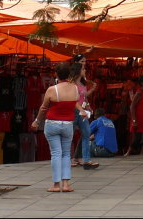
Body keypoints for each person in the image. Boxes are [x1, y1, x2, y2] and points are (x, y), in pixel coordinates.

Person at [30, 62, 79, 193]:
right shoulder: (75, 88)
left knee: (56, 153)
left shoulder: (53, 89)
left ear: (56, 74)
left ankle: (56, 184)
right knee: (66, 153)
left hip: (52, 123)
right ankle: (67, 183)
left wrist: (37, 121)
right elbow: (76, 103)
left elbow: (44, 107)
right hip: (68, 124)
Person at [68, 61, 98, 169]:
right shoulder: (71, 84)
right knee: (69, 135)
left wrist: (87, 106)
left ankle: (86, 160)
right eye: (83, 69)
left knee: (86, 133)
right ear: (78, 71)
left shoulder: (82, 84)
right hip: (74, 110)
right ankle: (69, 159)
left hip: (82, 111)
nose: (85, 71)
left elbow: (84, 98)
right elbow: (73, 99)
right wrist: (81, 108)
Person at [126, 76, 143, 157]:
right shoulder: (139, 92)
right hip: (138, 118)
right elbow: (132, 106)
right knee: (137, 137)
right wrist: (134, 120)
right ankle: (129, 151)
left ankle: (142, 152)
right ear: (142, 83)